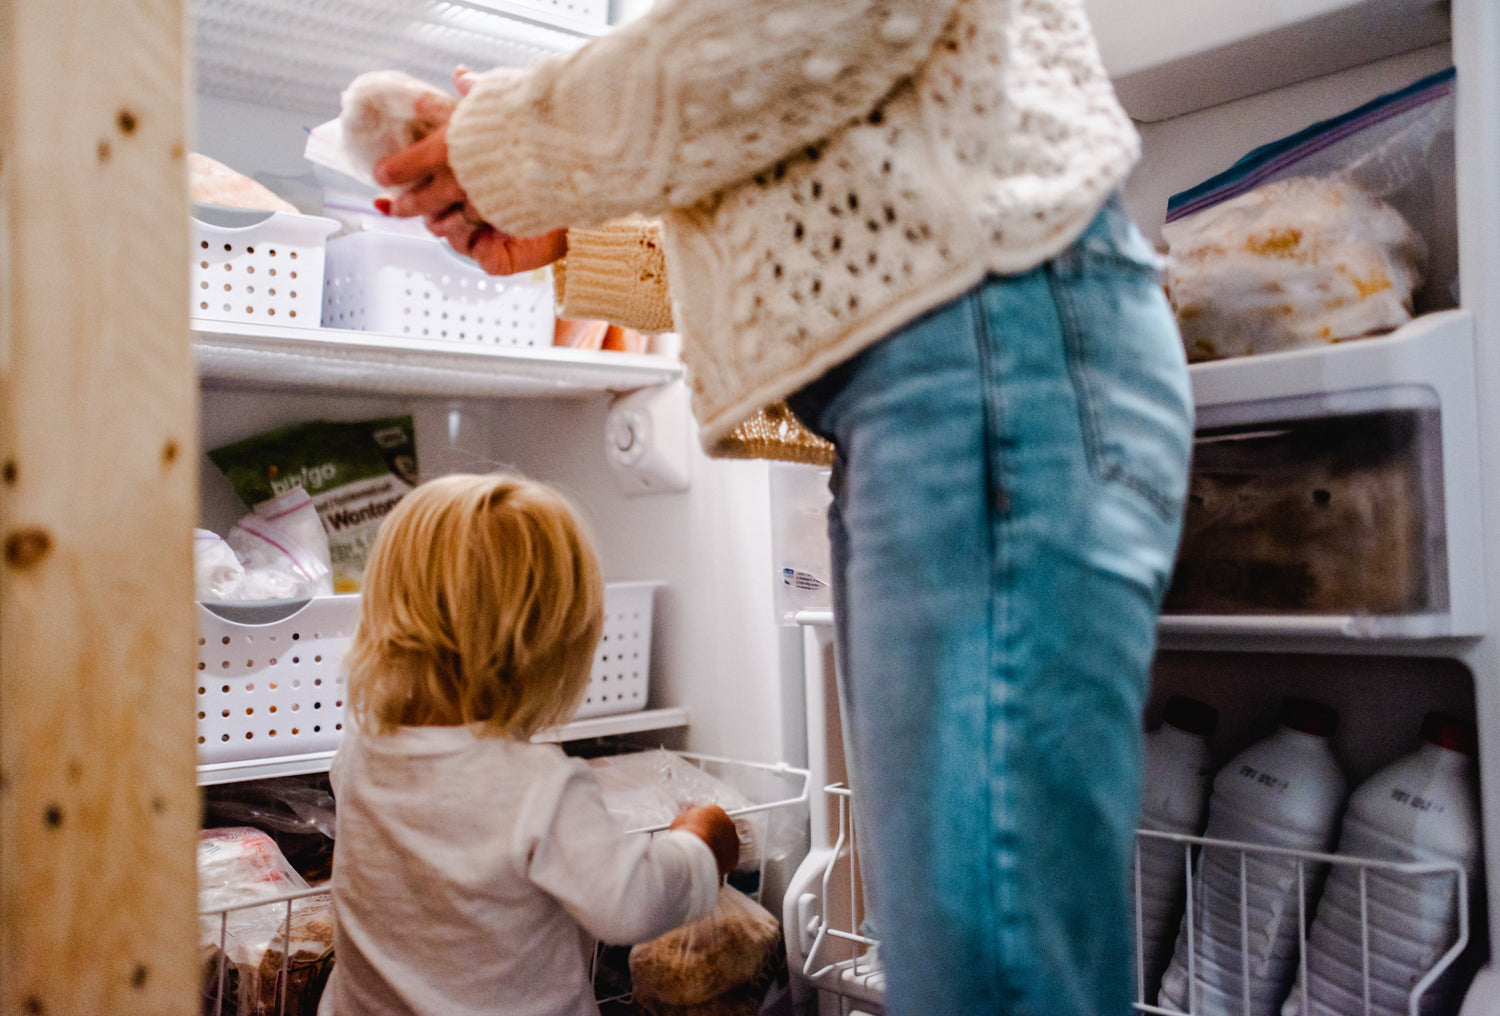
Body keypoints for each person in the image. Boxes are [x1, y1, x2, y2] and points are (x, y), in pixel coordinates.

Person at [371, 2, 1195, 1013]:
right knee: (962, 955)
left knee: (989, 967)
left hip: (982, 349)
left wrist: (521, 144)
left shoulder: (365, 760)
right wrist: (574, 229)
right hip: (941, 370)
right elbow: (814, 203)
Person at [318, 473, 739, 1016]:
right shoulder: (539, 785)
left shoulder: (362, 755)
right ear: (554, 651)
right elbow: (630, 905)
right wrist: (698, 846)